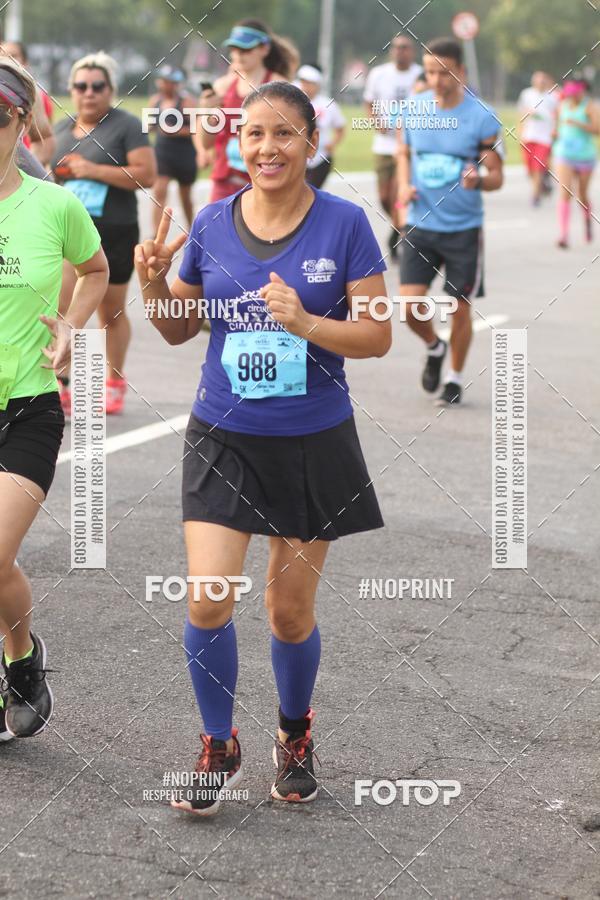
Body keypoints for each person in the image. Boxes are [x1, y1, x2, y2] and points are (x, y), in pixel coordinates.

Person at [136, 82, 390, 815]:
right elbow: (177, 329)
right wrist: (154, 287)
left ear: (312, 142)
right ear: (235, 143)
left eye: (283, 134)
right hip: (224, 435)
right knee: (209, 597)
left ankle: (295, 732)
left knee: (287, 614)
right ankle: (219, 743)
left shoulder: (344, 226)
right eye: (252, 134)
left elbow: (376, 335)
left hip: (312, 440)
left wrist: (307, 322)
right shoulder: (212, 221)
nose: (267, 148)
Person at [0, 57, 108, 742]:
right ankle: (23, 663)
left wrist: (72, 323)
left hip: (29, 410)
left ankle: (19, 668)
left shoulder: (53, 205)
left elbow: (96, 270)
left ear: (20, 123)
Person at [397, 37, 503, 407]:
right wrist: (403, 185)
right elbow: (403, 152)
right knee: (409, 307)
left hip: (463, 227)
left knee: (459, 307)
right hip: (419, 222)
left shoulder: (482, 117)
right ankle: (433, 345)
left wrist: (480, 180)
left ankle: (455, 378)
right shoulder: (414, 108)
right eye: (429, 72)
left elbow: (497, 177)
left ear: (461, 72)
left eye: (443, 72)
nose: (436, 80)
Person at [51, 51, 156, 415]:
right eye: (81, 86)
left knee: (109, 312)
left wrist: (91, 170)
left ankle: (112, 379)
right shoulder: (60, 130)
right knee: (63, 308)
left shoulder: (127, 126)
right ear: (71, 89)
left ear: (111, 89)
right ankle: (62, 380)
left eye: (98, 86)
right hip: (67, 235)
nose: (89, 92)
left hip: (114, 230)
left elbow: (146, 174)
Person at [194, 19, 296, 202]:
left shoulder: (281, 87)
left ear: (264, 49)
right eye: (234, 49)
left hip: (266, 181)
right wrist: (208, 113)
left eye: (246, 49)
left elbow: (294, 138)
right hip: (224, 183)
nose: (238, 55)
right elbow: (206, 143)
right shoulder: (222, 87)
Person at [363, 35, 422, 259]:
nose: (400, 51)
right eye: (396, 47)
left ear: (412, 51)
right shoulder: (379, 74)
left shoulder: (419, 74)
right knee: (385, 196)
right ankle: (400, 226)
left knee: (400, 191)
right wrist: (375, 121)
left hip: (409, 146)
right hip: (383, 144)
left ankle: (397, 235)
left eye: (405, 48)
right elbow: (369, 102)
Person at [149, 64, 196, 231]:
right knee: (159, 192)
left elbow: (196, 128)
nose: (166, 85)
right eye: (164, 81)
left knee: (185, 196)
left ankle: (192, 230)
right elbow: (151, 125)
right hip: (162, 152)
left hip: (184, 153)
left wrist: (175, 131)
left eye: (170, 82)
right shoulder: (155, 101)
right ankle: (156, 235)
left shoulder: (186, 102)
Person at [553, 79, 599, 248]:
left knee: (582, 194)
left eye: (576, 93)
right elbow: (557, 126)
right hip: (564, 155)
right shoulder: (562, 105)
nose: (573, 97)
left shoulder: (590, 107)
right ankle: (563, 235)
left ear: (582, 91)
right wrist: (555, 134)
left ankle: (587, 220)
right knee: (565, 192)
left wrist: (579, 123)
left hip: (585, 156)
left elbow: (598, 129)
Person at [0, 39, 55, 165]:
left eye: (13, 56)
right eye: (2, 56)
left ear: (25, 62)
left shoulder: (34, 94)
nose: (6, 60)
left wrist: (21, 170)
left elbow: (44, 137)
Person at [296, 63, 345, 189]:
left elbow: (340, 127)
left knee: (312, 191)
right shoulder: (293, 104)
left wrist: (333, 143)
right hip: (298, 156)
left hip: (321, 157)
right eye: (303, 82)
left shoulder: (328, 104)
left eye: (310, 83)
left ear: (317, 85)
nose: (306, 87)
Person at [518, 71, 558, 206]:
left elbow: (557, 115)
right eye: (538, 80)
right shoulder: (526, 94)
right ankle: (543, 184)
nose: (540, 83)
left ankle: (535, 195)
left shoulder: (552, 97)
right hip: (529, 136)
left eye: (543, 80)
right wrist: (520, 132)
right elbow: (521, 113)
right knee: (529, 168)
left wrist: (555, 130)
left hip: (544, 138)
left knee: (537, 166)